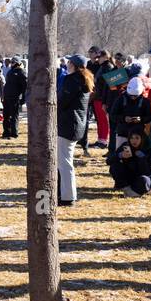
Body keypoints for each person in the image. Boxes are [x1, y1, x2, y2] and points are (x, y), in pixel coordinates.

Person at [56, 54, 92, 206]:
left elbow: (62, 101)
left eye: (69, 62)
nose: (67, 64)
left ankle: (68, 196)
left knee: (64, 162)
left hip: (68, 125)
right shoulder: (83, 79)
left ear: (74, 65)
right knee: (63, 160)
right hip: (75, 125)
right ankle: (62, 192)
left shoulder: (73, 81)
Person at [108, 62, 151, 146]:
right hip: (123, 132)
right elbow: (113, 115)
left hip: (138, 133)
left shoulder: (144, 100)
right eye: (131, 96)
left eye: (135, 96)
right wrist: (124, 118)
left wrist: (141, 119)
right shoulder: (121, 98)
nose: (133, 98)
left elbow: (149, 117)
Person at [109, 128, 151, 197]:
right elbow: (109, 160)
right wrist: (120, 155)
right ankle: (126, 189)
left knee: (144, 180)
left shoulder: (149, 149)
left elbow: (148, 172)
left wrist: (142, 158)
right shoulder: (126, 145)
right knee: (115, 166)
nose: (134, 141)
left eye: (137, 138)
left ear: (142, 138)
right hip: (129, 178)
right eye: (131, 138)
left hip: (142, 177)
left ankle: (132, 192)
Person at [1, 57, 26, 139]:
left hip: (15, 98)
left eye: (13, 62)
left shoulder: (21, 72)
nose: (11, 63)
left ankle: (14, 133)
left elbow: (25, 87)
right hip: (7, 97)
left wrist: (23, 98)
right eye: (11, 62)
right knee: (6, 116)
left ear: (17, 63)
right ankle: (6, 132)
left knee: (14, 116)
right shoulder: (10, 71)